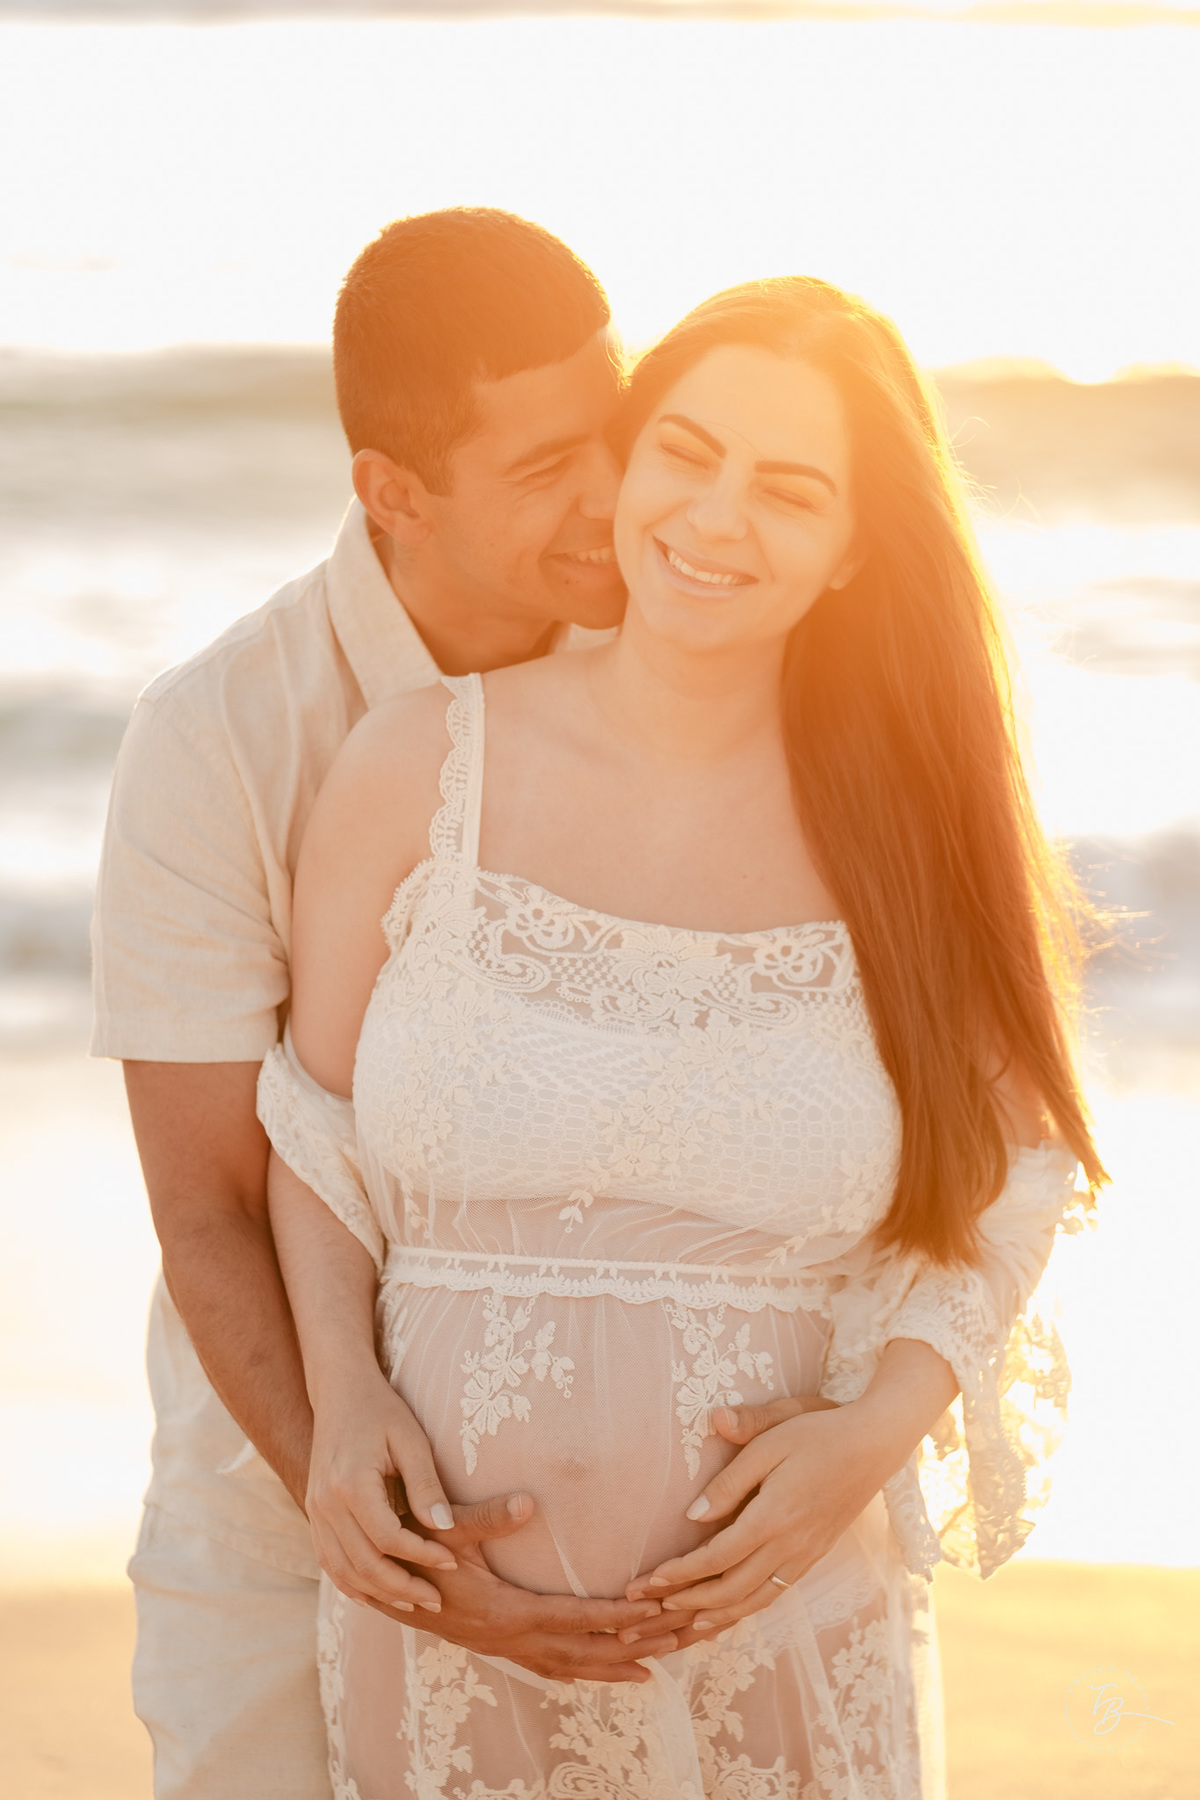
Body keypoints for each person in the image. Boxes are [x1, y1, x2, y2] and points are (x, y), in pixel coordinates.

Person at [257, 275, 1106, 1797]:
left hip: (780, 1623)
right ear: (629, 464)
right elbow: (311, 1134)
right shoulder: (414, 771)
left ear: (854, 549)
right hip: (444, 1632)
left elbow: (1020, 1176)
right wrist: (345, 1404)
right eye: (687, 454)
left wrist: (880, 1431)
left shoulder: (909, 834)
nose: (715, 518)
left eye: (789, 492)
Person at [91, 207, 712, 1800]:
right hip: (282, 1499)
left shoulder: (688, 655)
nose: (611, 497)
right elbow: (211, 1200)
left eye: (615, 428)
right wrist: (358, 1509)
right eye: (541, 468)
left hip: (628, 1530)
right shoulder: (219, 738)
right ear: (392, 492)